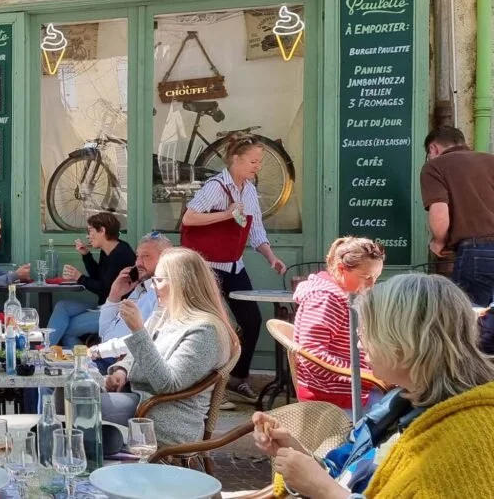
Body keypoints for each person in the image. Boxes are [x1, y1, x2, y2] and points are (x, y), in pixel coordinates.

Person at [254, 273, 494, 498]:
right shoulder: (402, 402)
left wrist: (325, 491)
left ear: (405, 342)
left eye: (368, 331)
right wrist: (295, 455)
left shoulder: (467, 438)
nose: (360, 344)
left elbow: (335, 489)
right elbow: (347, 474)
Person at [182, 135, 287, 403]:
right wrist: (226, 214)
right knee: (212, 325)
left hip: (233, 264)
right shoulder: (215, 186)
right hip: (207, 267)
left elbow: (255, 229)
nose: (258, 166)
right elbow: (189, 218)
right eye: (253, 161)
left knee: (251, 320)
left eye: (259, 162)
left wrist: (270, 256)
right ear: (235, 159)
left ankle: (237, 378)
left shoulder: (249, 190)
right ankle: (205, 387)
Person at [101, 248, 239, 447]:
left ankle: (80, 460)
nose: (153, 286)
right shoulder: (167, 313)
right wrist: (122, 370)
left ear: (180, 283)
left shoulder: (205, 330)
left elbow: (168, 384)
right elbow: (138, 352)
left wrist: (138, 330)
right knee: (70, 395)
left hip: (169, 418)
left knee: (82, 406)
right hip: (141, 402)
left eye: (158, 280)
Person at [293, 237, 385, 412]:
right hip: (334, 395)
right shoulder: (326, 298)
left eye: (376, 278)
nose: (372, 285)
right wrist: (366, 376)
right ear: (342, 269)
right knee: (405, 408)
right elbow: (312, 353)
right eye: (367, 277)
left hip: (350, 387)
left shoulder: (340, 294)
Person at [420, 126, 494, 306]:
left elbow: (439, 211)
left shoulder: (435, 166)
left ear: (433, 148)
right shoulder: (491, 161)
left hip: (476, 252)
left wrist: (439, 241)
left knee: (469, 316)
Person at [48, 212, 137, 348]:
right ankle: (45, 349)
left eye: (90, 231)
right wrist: (86, 255)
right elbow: (98, 276)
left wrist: (80, 278)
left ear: (102, 230)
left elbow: (105, 289)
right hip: (102, 305)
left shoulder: (122, 254)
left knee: (67, 329)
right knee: (62, 306)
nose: (88, 236)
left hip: (116, 311)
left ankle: (83, 358)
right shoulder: (107, 250)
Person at [89, 231, 172, 363]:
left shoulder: (163, 295)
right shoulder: (140, 288)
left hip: (125, 363)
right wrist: (114, 295)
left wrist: (99, 351)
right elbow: (104, 333)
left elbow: (146, 340)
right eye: (137, 256)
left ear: (165, 259)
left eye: (146, 256)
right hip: (105, 355)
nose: (138, 263)